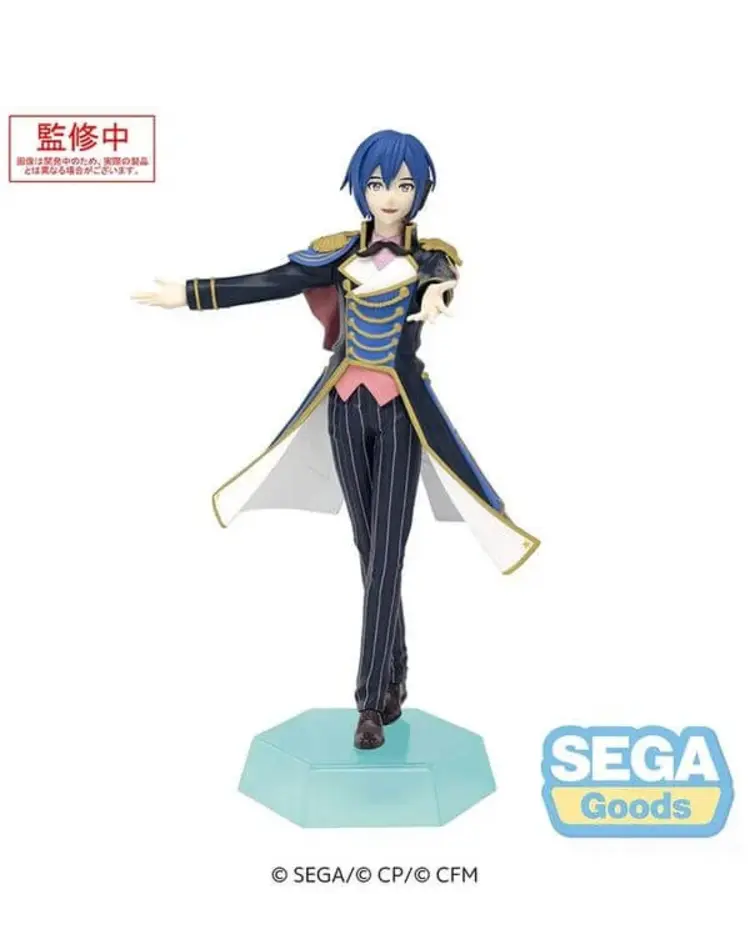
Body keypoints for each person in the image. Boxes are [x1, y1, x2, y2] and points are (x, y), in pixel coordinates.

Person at [132, 129, 540, 750]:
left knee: (387, 555)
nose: (390, 196)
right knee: (369, 549)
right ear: (361, 188)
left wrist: (437, 295)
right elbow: (270, 281)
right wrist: (189, 295)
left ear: (421, 191)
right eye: (378, 183)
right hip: (344, 409)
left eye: (403, 184)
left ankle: (370, 705)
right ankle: (395, 673)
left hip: (402, 415)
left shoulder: (432, 257)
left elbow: (443, 277)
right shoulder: (336, 254)